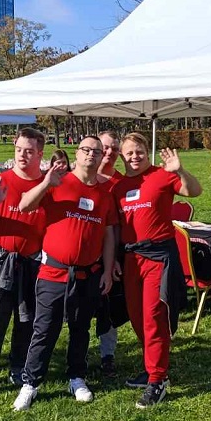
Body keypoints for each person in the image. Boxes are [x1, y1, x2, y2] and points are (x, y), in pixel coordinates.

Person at [11, 140, 118, 411]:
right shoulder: (59, 182)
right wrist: (47, 183)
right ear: (77, 154)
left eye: (97, 152)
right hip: (53, 272)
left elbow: (108, 234)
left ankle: (76, 376)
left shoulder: (104, 193)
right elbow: (24, 206)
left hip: (88, 275)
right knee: (44, 329)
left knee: (80, 329)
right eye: (86, 150)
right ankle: (30, 383)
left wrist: (107, 269)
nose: (91, 155)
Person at [112, 133, 202, 408]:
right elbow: (115, 225)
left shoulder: (162, 175)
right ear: (121, 156)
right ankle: (151, 368)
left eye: (139, 151)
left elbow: (193, 191)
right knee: (137, 316)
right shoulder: (118, 186)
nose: (134, 157)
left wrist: (181, 171)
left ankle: (158, 380)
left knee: (153, 316)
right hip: (130, 258)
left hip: (157, 256)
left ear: (146, 152)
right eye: (129, 153)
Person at [0, 128, 48, 404]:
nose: (23, 156)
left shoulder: (47, 187)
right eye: (19, 150)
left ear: (40, 154)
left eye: (29, 151)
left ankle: (18, 368)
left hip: (33, 265)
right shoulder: (1, 181)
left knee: (26, 322)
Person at [94, 130, 122, 377]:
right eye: (106, 147)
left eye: (115, 148)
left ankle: (107, 355)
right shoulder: (79, 176)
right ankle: (76, 353)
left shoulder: (121, 183)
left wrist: (112, 261)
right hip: (82, 256)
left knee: (109, 310)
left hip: (113, 254)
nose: (109, 152)